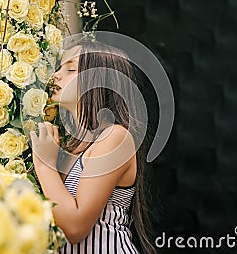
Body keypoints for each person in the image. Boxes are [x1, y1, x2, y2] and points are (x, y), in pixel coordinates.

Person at [30, 40, 157, 253]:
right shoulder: (69, 148)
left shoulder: (116, 137)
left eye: (70, 69)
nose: (56, 76)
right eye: (60, 68)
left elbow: (75, 227)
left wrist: (44, 166)